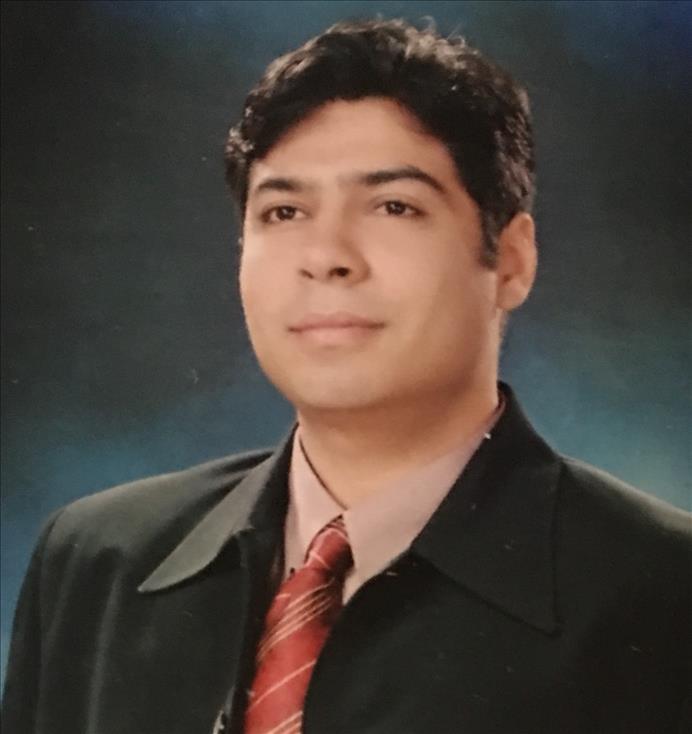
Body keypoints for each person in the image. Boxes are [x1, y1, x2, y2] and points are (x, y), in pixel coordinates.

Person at [3, 18, 690, 734]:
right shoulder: (98, 563)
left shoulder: (664, 594)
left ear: (512, 260)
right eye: (284, 211)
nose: (326, 256)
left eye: (394, 206)